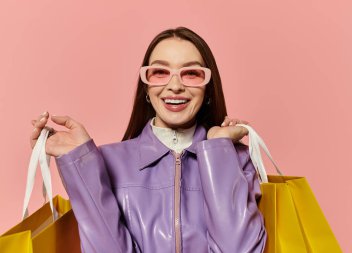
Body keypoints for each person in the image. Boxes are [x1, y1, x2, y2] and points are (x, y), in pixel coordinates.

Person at [30, 27, 267, 253]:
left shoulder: (236, 160)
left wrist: (218, 147)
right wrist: (80, 163)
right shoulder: (106, 161)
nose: (175, 86)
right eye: (160, 72)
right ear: (145, 86)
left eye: (192, 73)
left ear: (208, 89)